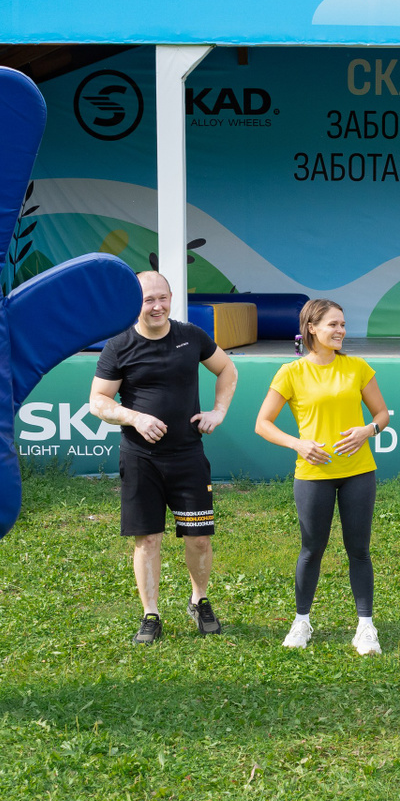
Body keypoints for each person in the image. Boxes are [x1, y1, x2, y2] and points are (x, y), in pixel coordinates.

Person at [88, 270, 238, 643]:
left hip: (188, 455)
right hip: (141, 459)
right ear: (133, 304)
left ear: (171, 299)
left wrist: (219, 411)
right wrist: (134, 418)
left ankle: (199, 600)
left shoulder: (191, 336)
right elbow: (98, 401)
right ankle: (150, 613)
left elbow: (226, 369)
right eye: (148, 300)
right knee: (148, 540)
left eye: (162, 298)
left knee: (199, 538)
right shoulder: (119, 346)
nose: (157, 306)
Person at [254, 299, 392, 653]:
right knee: (312, 549)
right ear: (311, 328)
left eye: (342, 324)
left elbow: (381, 414)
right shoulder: (291, 372)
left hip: (358, 472)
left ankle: (366, 626)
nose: (340, 330)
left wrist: (368, 430)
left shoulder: (357, 368)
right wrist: (297, 444)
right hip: (313, 475)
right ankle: (301, 622)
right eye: (333, 324)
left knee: (359, 550)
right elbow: (263, 423)